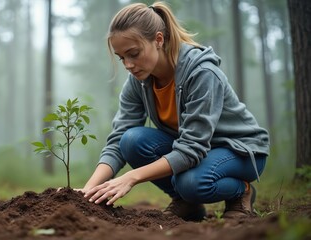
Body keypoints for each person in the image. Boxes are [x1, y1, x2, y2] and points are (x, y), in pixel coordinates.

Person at [80, 2, 270, 221]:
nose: (128, 65)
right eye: (122, 57)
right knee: (130, 140)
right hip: (197, 151)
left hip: (239, 151)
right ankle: (186, 203)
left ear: (158, 40)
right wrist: (87, 191)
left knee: (191, 182)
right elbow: (117, 142)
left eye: (133, 53)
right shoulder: (138, 82)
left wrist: (130, 177)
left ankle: (241, 191)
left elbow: (191, 148)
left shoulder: (202, 73)